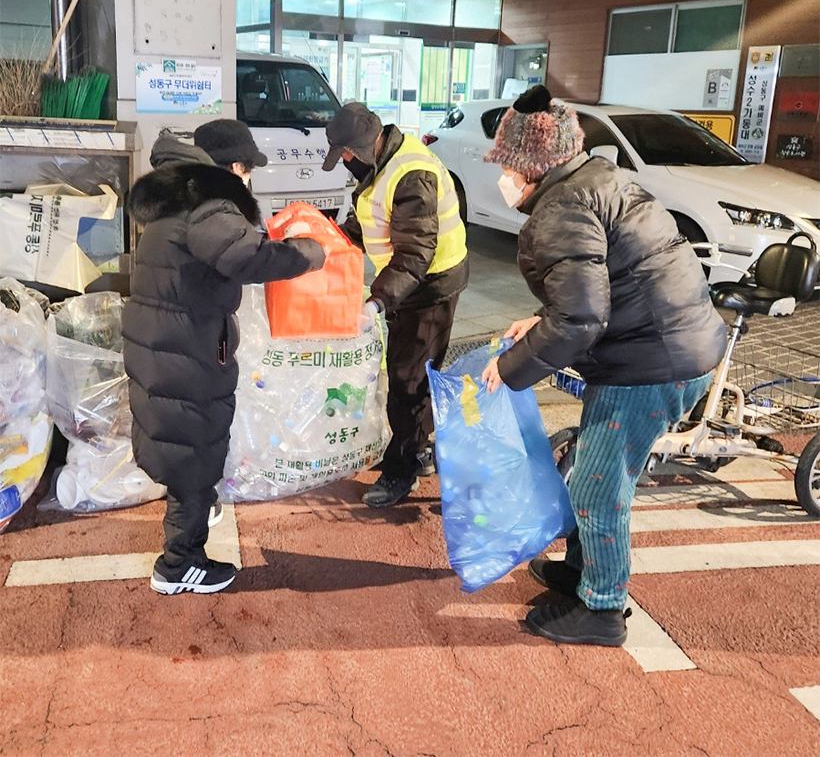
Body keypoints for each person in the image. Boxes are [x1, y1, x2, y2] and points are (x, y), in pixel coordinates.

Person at [480, 86, 727, 646]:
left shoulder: (562, 207)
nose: (503, 178)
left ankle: (603, 609)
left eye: (507, 166)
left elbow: (581, 319)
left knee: (598, 487)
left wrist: (512, 367)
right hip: (663, 346)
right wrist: (538, 321)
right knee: (590, 469)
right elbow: (601, 284)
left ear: (531, 166)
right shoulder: (598, 180)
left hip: (650, 363)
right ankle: (580, 572)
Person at [123, 120, 326, 595]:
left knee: (182, 445)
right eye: (248, 169)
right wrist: (310, 252)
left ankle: (193, 517)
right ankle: (179, 565)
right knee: (194, 452)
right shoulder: (208, 205)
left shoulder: (176, 200)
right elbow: (249, 257)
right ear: (235, 167)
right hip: (186, 351)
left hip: (163, 344)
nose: (249, 177)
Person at [322, 103, 469, 507]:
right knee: (411, 372)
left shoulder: (411, 174)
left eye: (346, 154)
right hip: (409, 284)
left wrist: (377, 302)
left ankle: (401, 470)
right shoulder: (382, 165)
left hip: (431, 286)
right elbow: (368, 222)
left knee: (408, 380)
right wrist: (326, 242)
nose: (345, 162)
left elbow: (415, 254)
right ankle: (416, 449)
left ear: (363, 146)